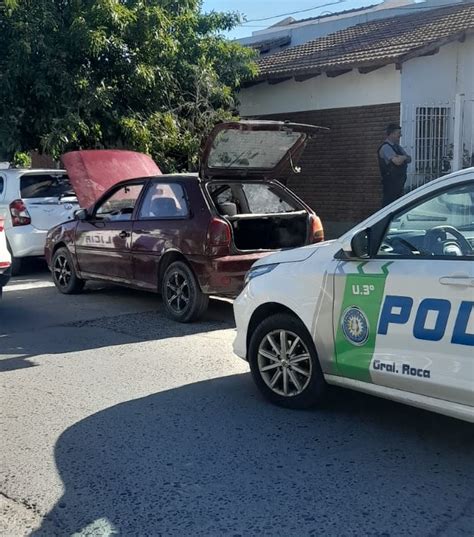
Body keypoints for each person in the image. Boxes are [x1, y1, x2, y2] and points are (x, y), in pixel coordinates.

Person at [378, 123, 412, 206]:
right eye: (398, 133)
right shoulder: (386, 147)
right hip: (390, 183)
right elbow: (397, 161)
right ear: (392, 134)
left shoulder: (397, 147)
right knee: (389, 206)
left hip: (399, 183)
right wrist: (403, 158)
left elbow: (409, 159)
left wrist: (402, 157)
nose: (400, 135)